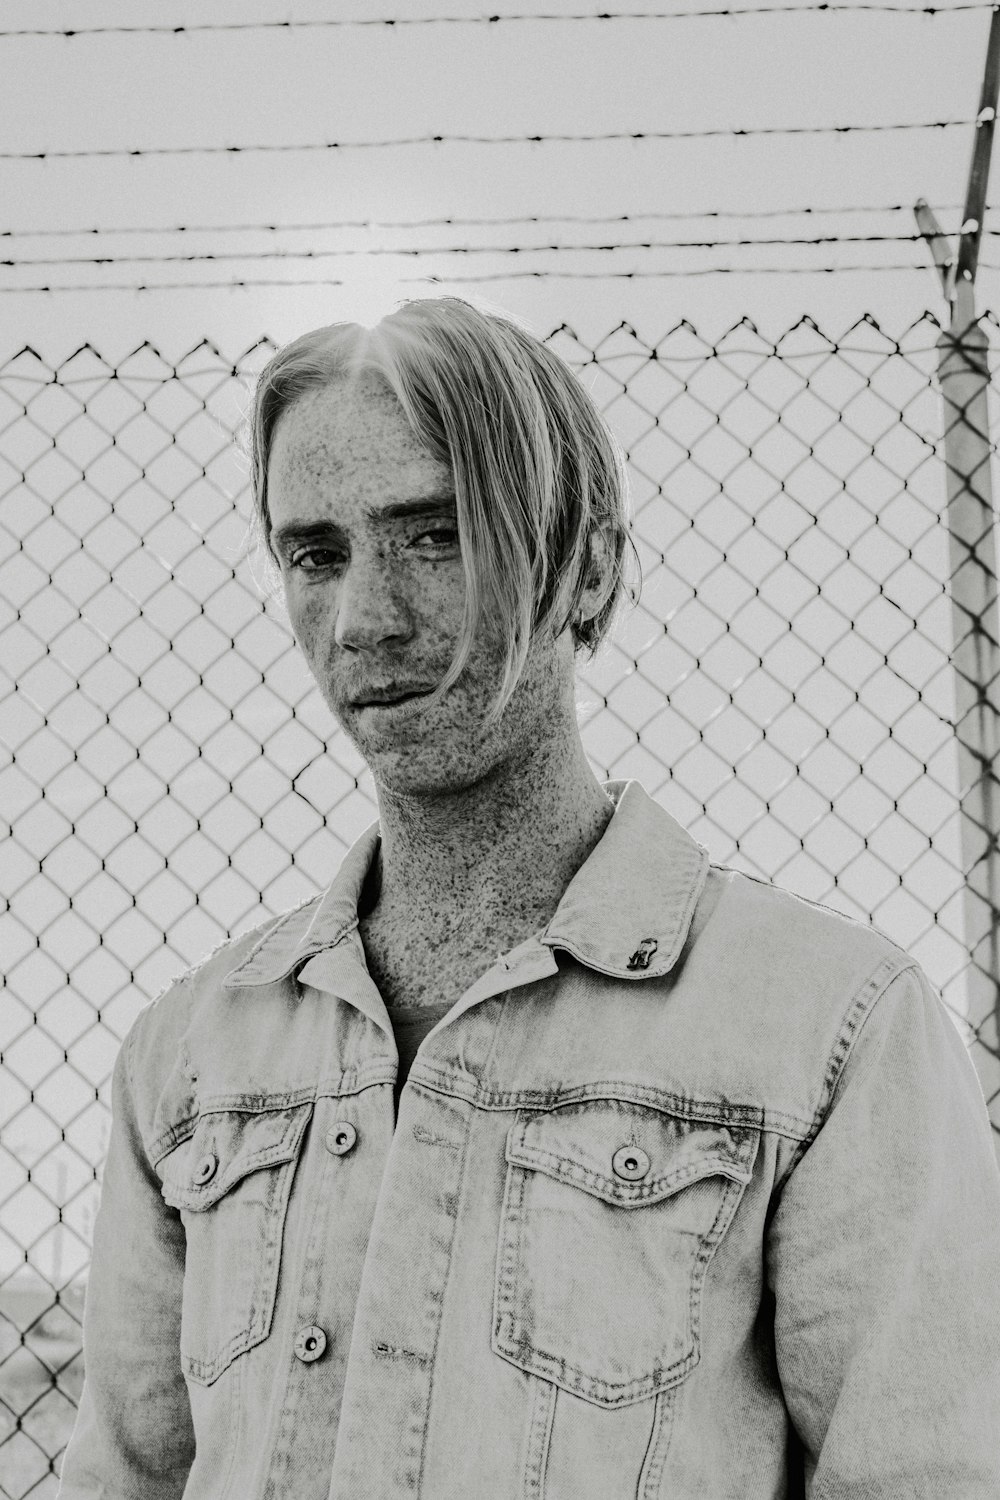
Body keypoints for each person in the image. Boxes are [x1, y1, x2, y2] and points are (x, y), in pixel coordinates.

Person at [58, 296, 1000, 1500]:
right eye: (317, 554)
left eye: (435, 536)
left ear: (589, 568)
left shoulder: (828, 1027)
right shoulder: (190, 1057)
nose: (364, 621)